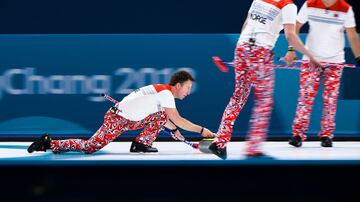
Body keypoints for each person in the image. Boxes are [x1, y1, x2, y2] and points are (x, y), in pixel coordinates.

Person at [209, 0, 322, 159]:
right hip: (260, 51)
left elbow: (246, 24)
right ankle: (253, 148)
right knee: (264, 100)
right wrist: (311, 57)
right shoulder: (288, 5)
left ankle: (219, 142)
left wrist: (243, 53)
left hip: (241, 47)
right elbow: (290, 34)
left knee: (238, 97)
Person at [27, 70, 214, 154]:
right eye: (187, 87)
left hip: (131, 119)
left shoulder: (162, 92)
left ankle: (140, 144)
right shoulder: (166, 94)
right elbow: (178, 119)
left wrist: (173, 131)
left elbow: (166, 119)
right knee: (90, 147)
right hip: (117, 119)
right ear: (178, 85)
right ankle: (49, 143)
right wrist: (202, 131)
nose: (188, 92)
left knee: (161, 115)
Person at [285, 0, 360, 148]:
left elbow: (352, 35)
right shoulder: (309, 4)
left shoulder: (346, 9)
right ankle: (298, 134)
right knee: (305, 98)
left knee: (330, 101)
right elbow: (295, 27)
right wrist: (291, 49)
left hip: (335, 62)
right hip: (310, 60)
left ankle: (327, 135)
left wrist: (358, 57)